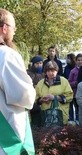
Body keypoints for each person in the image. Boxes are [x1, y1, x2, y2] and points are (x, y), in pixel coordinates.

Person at [0, 8, 36, 155]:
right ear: (4, 28)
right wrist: (31, 90)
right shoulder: (6, 55)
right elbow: (23, 95)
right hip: (7, 136)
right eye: (13, 28)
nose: (14, 32)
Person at [35, 61, 73, 125]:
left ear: (57, 71)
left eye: (53, 71)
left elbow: (70, 96)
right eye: (48, 71)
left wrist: (55, 98)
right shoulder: (40, 83)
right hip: (46, 117)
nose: (50, 73)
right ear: (45, 72)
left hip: (61, 116)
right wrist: (41, 100)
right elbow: (35, 97)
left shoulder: (63, 81)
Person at [27, 55, 45, 127]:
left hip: (42, 99)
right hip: (32, 99)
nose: (39, 65)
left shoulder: (44, 74)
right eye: (37, 63)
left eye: (41, 63)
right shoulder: (28, 73)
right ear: (33, 64)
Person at [68, 53, 82, 125]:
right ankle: (77, 121)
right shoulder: (73, 71)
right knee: (77, 108)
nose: (80, 62)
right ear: (76, 61)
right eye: (78, 60)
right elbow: (69, 83)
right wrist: (76, 83)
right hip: (75, 93)